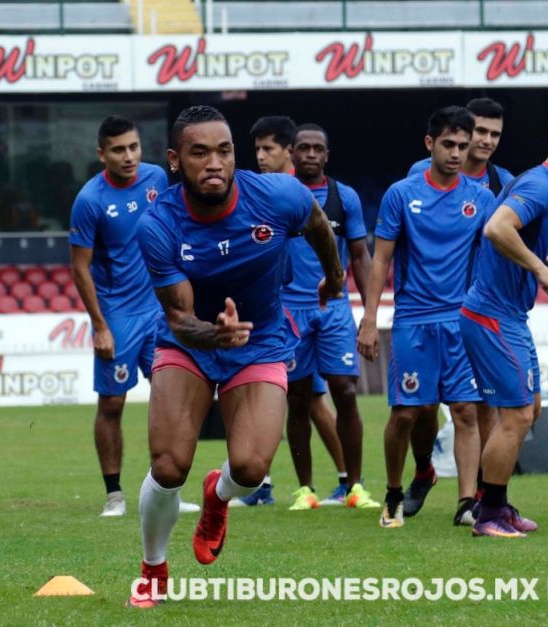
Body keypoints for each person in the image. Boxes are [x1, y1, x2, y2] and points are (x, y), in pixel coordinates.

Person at [128, 105, 343, 608]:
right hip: (189, 345)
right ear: (176, 161)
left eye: (224, 151)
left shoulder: (277, 195)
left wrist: (333, 277)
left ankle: (217, 497)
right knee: (167, 466)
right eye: (199, 153)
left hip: (262, 340)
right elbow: (179, 318)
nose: (214, 163)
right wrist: (213, 334)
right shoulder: (159, 225)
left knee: (249, 468)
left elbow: (316, 223)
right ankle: (153, 568)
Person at [461, 110, 548, 538]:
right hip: (492, 315)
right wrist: (540, 271)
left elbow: (512, 234)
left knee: (530, 407)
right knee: (518, 415)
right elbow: (497, 229)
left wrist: (544, 260)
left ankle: (497, 506)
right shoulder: (541, 185)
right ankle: (486, 517)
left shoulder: (546, 187)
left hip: (506, 316)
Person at [358, 106, 494, 529]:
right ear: (429, 143)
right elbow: (380, 260)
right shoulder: (402, 194)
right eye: (449, 144)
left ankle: (467, 502)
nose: (457, 153)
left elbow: (496, 255)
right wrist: (368, 318)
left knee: (466, 412)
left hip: (462, 322)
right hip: (413, 320)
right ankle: (396, 492)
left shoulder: (481, 199)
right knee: (406, 414)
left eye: (463, 145)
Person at [69, 115, 198, 518]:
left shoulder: (158, 178)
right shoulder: (90, 200)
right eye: (119, 150)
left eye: (134, 147)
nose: (129, 157)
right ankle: (114, 494)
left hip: (160, 313)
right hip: (119, 316)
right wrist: (100, 325)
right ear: (101, 154)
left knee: (173, 401)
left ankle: (168, 491)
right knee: (112, 404)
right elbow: (80, 267)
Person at [404, 98, 516, 519]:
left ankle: (478, 500)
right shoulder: (420, 175)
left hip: (480, 308)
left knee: (479, 405)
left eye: (494, 134)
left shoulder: (502, 183)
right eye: (481, 132)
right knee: (421, 409)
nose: (486, 141)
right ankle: (422, 470)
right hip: (426, 311)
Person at [233, 116, 346, 508]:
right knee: (309, 401)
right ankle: (345, 480)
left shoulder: (297, 195)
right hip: (279, 307)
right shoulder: (261, 192)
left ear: (288, 152)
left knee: (279, 396)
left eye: (268, 149)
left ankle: (264, 485)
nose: (260, 157)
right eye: (258, 149)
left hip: (301, 309)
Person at [283, 123, 376, 510]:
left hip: (333, 307)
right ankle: (305, 490)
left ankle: (355, 487)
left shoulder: (344, 197)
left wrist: (370, 313)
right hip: (289, 308)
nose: (309, 154)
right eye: (302, 148)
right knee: (299, 398)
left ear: (326, 154)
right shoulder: (280, 196)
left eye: (317, 148)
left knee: (345, 391)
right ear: (291, 152)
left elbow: (360, 255)